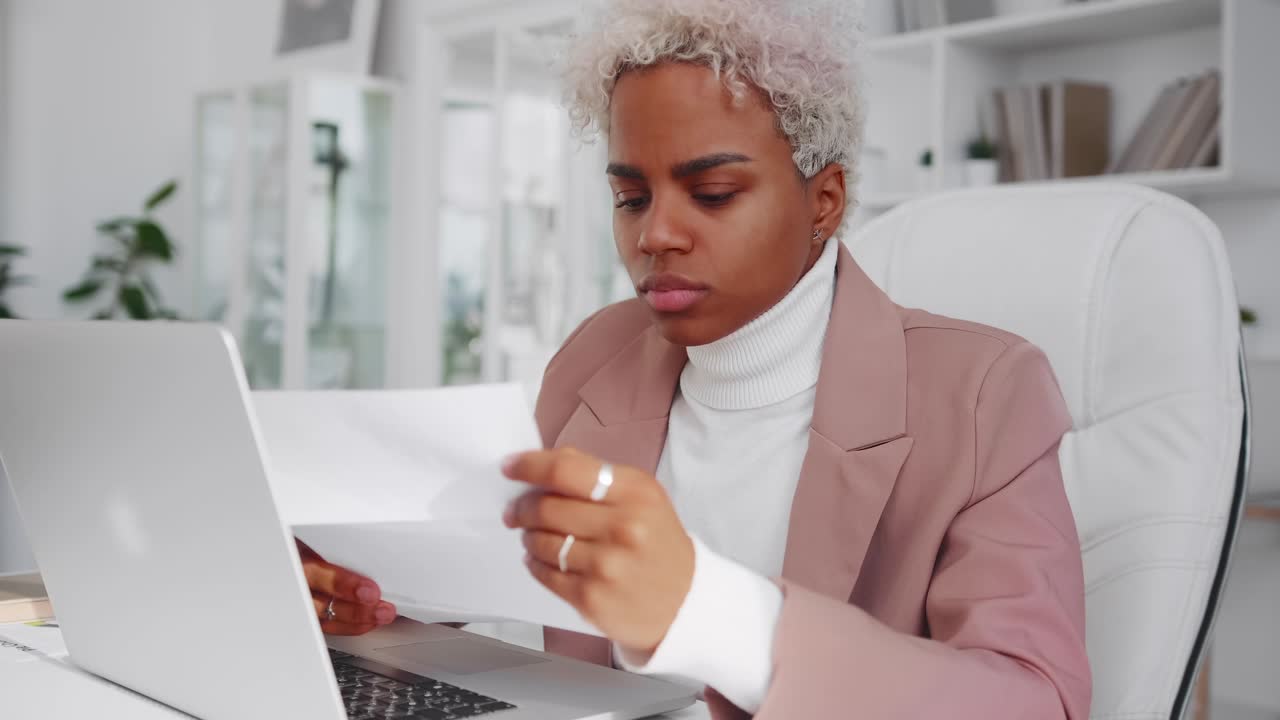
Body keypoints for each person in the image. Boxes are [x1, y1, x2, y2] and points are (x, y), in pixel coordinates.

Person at [300, 0, 1092, 716]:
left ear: (826, 200)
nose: (655, 236)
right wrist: (376, 593)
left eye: (711, 193)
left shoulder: (986, 394)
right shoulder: (598, 353)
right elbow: (505, 560)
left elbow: (1037, 700)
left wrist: (709, 611)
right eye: (630, 198)